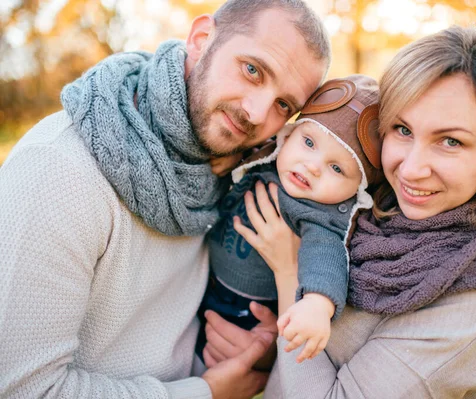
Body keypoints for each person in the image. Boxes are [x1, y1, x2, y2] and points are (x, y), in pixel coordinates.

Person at [202, 25, 476, 398]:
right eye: (403, 129)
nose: (409, 169)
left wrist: (288, 274)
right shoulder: (375, 199)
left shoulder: (469, 301)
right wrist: (263, 353)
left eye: (450, 141)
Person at [0, 1, 330, 398]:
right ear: (201, 39)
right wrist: (204, 391)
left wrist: (255, 348)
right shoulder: (60, 170)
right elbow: (22, 389)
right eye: (252, 70)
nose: (256, 114)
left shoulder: (235, 168)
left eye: (283, 105)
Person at [196, 75, 383, 366]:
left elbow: (325, 255)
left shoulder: (321, 214)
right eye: (308, 142)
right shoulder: (271, 157)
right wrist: (230, 157)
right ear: (289, 134)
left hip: (247, 309)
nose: (311, 166)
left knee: (212, 360)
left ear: (356, 190)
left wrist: (317, 305)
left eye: (336, 168)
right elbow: (251, 146)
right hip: (203, 277)